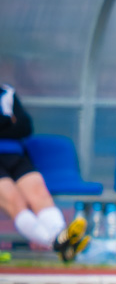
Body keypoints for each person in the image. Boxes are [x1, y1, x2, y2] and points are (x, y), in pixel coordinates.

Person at [0, 84, 89, 262]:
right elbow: (13, 126)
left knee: (39, 193)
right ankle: (58, 242)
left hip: (15, 156)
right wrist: (8, 121)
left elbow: (25, 127)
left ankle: (62, 238)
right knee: (16, 202)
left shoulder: (6, 93)